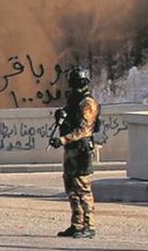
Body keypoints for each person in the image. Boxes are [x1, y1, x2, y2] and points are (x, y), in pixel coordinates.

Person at [50, 66, 101, 239]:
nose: (75, 86)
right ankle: (77, 224)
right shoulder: (73, 102)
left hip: (82, 150)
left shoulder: (88, 103)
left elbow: (84, 129)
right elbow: (70, 122)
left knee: (83, 189)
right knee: (71, 188)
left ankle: (89, 226)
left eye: (78, 82)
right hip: (71, 151)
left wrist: (62, 140)